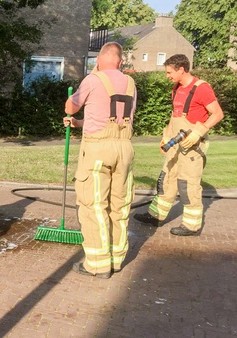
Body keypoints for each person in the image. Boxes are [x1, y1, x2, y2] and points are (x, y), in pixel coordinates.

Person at [64, 42, 137, 279]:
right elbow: (109, 118)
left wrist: (73, 114)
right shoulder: (130, 83)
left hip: (97, 152)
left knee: (93, 206)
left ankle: (97, 264)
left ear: (98, 60)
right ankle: (116, 258)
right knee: (119, 204)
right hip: (124, 148)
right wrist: (79, 125)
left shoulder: (92, 80)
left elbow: (70, 107)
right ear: (120, 61)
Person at [133, 54, 224, 236]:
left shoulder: (201, 88)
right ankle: (156, 216)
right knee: (166, 179)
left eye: (169, 72)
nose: (167, 76)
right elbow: (174, 116)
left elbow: (218, 114)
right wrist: (166, 137)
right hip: (175, 143)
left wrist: (199, 131)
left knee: (187, 183)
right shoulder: (176, 88)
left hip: (192, 146)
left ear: (181, 69)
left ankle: (191, 225)